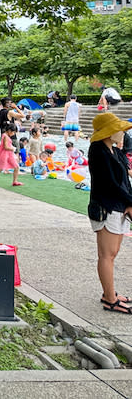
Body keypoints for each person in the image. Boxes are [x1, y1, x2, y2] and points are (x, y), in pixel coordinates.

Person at [86, 112, 132, 314]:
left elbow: (124, 181)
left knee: (112, 253)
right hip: (106, 207)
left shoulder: (115, 151)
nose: (122, 133)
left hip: (120, 207)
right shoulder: (98, 151)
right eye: (119, 130)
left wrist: (129, 203)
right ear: (109, 131)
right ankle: (110, 299)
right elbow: (111, 184)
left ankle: (110, 293)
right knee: (106, 255)